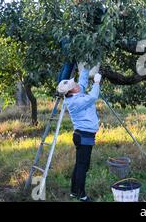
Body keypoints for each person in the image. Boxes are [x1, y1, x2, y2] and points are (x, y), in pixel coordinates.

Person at [57, 65, 102, 202]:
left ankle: (73, 192)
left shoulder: (75, 91)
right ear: (71, 91)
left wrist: (86, 67)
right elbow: (93, 96)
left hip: (82, 135)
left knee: (79, 165)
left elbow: (82, 81)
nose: (76, 84)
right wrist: (97, 82)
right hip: (84, 136)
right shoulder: (75, 101)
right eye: (73, 84)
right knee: (83, 166)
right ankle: (81, 195)